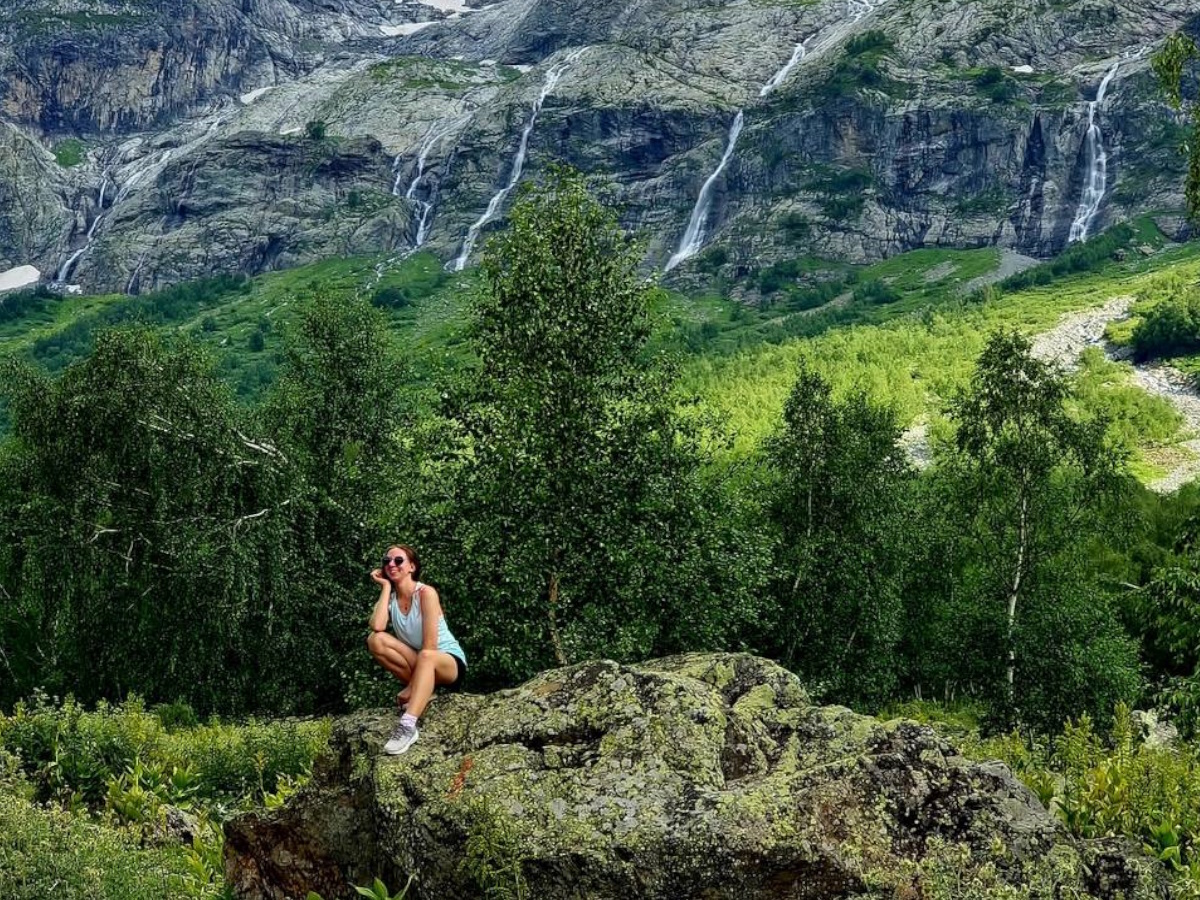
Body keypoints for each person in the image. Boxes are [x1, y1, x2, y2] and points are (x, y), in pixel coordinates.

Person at [366, 544, 467, 755]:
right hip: (421, 663)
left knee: (427, 654)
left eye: (398, 560)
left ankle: (407, 726)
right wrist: (385, 587)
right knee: (376, 640)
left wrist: (410, 688)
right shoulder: (392, 600)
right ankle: (425, 693)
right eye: (387, 561)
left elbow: (430, 646)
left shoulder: (426, 593)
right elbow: (377, 626)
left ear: (412, 566)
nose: (391, 564)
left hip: (446, 662)